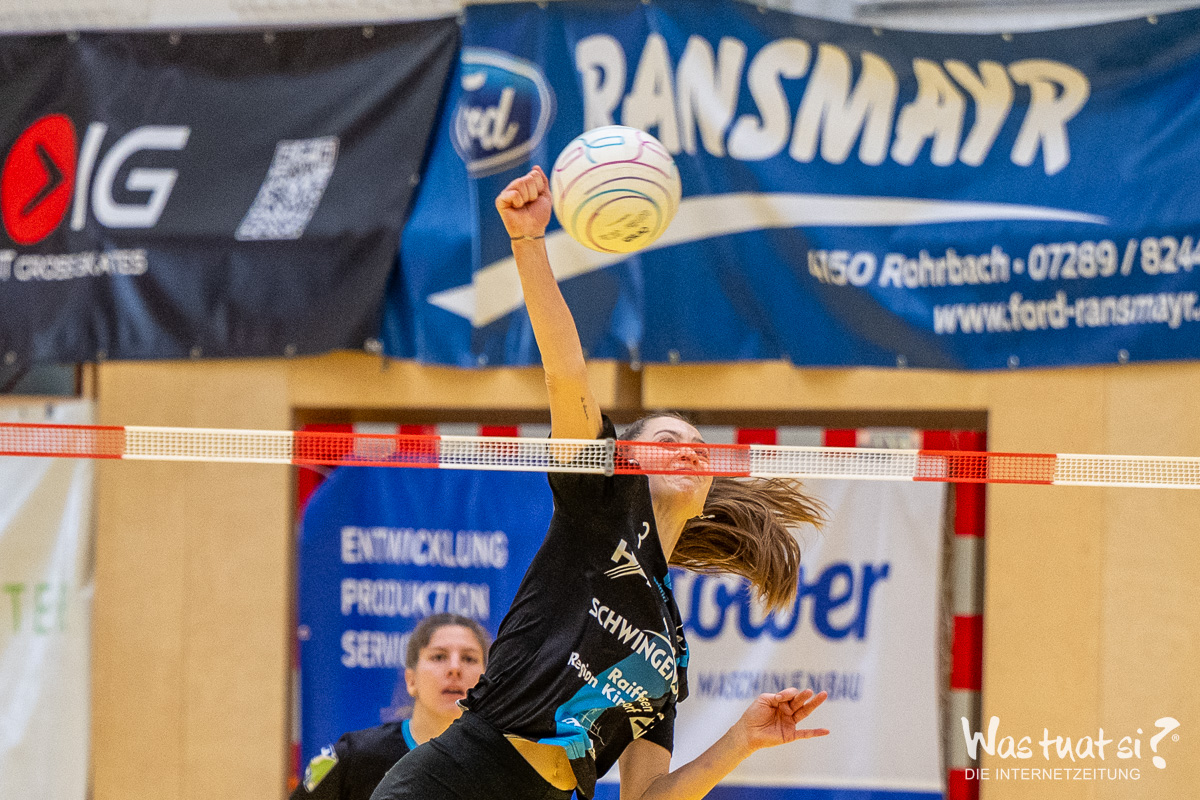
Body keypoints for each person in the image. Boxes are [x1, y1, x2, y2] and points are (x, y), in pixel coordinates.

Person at [371, 165, 828, 800]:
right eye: (667, 441)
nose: (688, 452)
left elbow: (645, 796)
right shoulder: (598, 508)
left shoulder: (670, 646)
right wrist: (528, 242)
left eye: (699, 449)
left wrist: (741, 741)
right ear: (627, 463)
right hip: (458, 779)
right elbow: (566, 373)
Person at [294, 614, 490, 800]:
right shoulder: (353, 756)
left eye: (469, 658)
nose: (455, 668)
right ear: (411, 680)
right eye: (439, 657)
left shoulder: (498, 763)